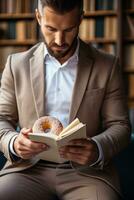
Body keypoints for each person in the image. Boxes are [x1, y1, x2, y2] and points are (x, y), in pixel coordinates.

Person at [0, 0, 131, 199]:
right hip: (28, 169)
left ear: (80, 18)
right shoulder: (15, 65)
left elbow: (120, 125)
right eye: (51, 29)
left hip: (87, 172)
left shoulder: (107, 66)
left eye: (69, 29)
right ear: (38, 17)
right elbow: (2, 118)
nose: (60, 40)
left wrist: (97, 148)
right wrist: (13, 142)